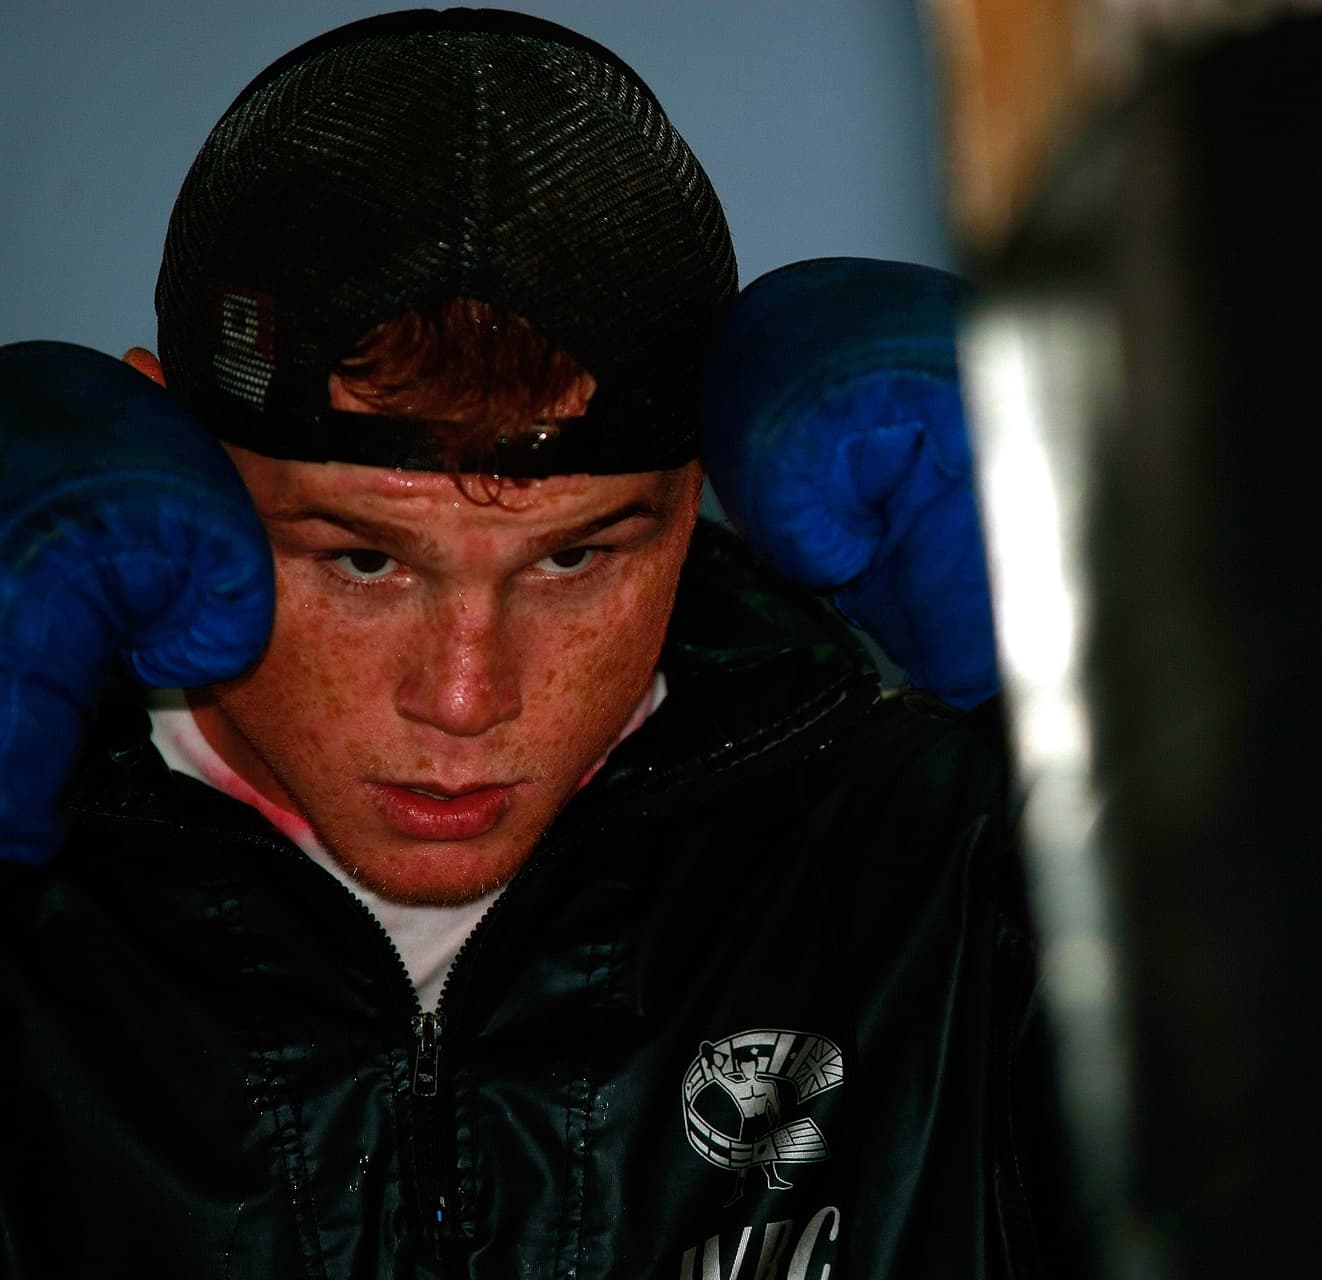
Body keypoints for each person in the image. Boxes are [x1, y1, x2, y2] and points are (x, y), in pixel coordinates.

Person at [0, 10, 1052, 1277]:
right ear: (173, 461)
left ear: (701, 494)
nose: (464, 697)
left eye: (574, 556)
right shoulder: (33, 921)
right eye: (363, 558)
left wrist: (1142, 696)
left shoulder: (937, 884)